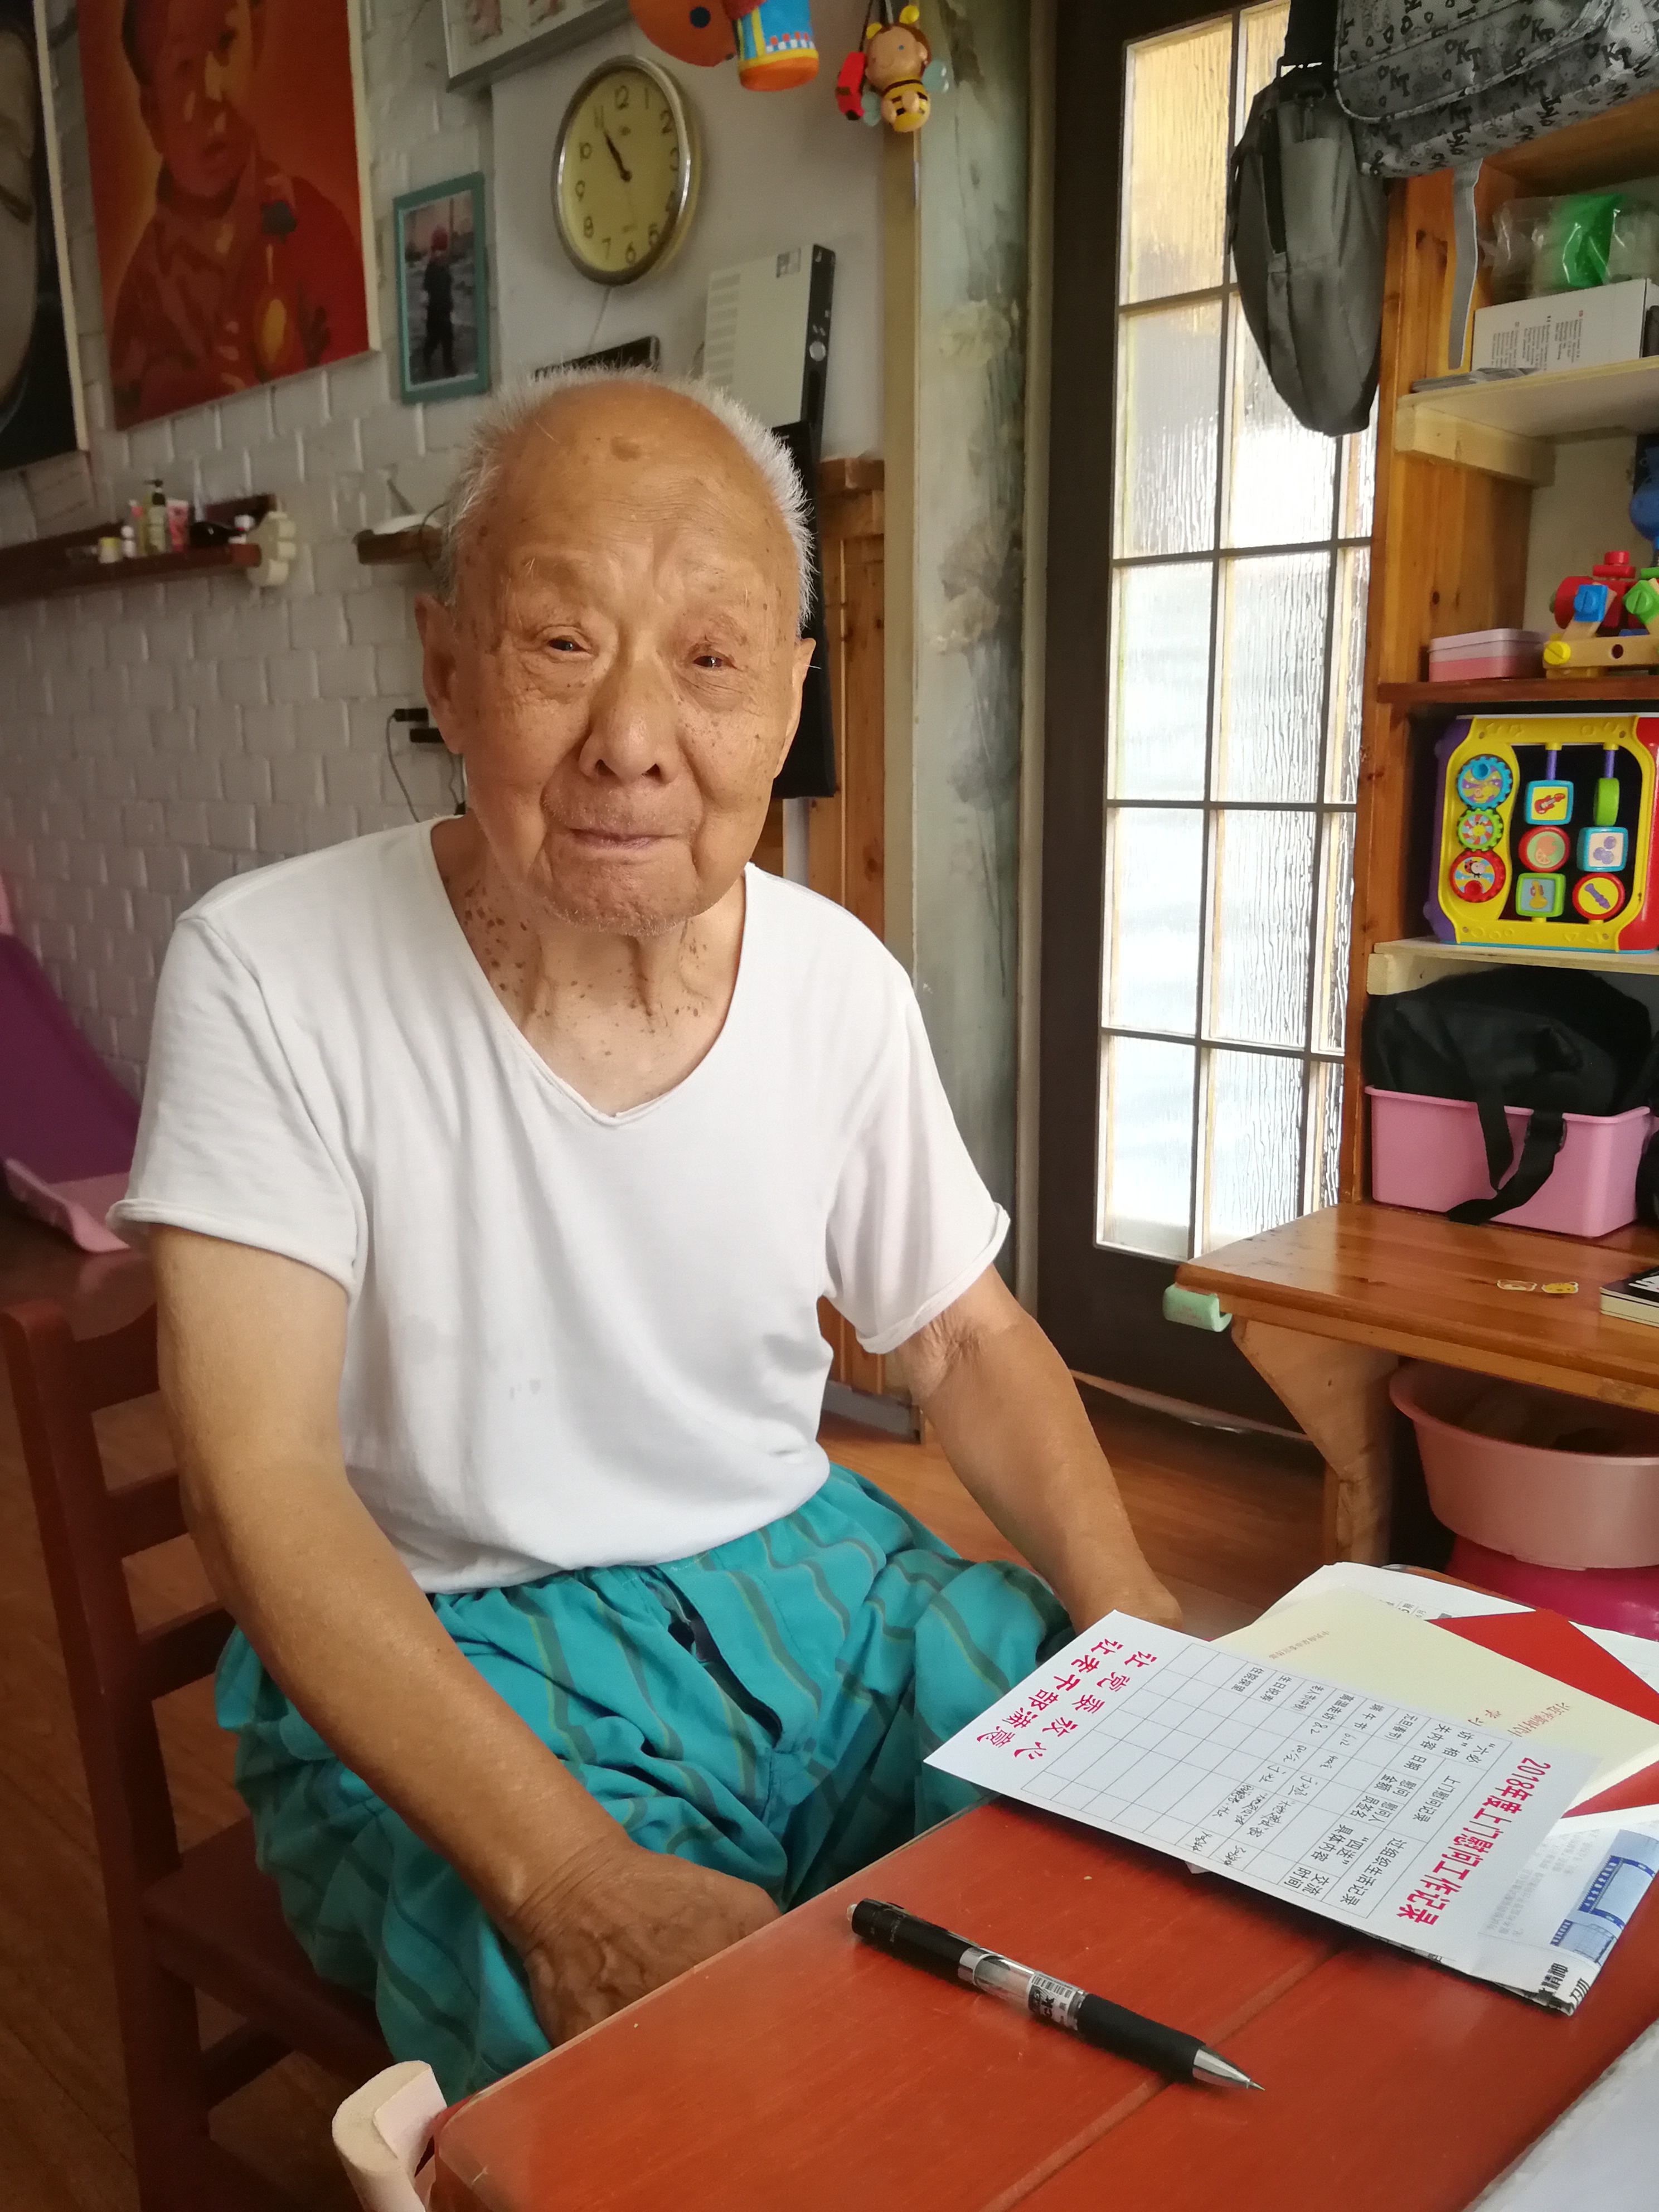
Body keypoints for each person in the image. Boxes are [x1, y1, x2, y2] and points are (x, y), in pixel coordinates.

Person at [115, 372, 1179, 2102]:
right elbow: (257, 1484)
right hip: (454, 1636)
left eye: (708, 657)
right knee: (636, 2062)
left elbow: (963, 1336)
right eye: (560, 644)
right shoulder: (268, 970)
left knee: (1132, 1803)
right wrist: (565, 1879)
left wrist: (1137, 1619)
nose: (630, 737)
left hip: (816, 1583)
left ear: (789, 697)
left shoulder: (836, 981)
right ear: (447, 663)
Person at [108, 0, 369, 425]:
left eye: (226, 42)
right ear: (152, 113)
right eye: (182, 68)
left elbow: (357, 406)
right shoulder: (141, 300)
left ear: (257, 39)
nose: (214, 91)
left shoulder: (315, 230)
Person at [420, 226, 457, 382]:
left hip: (444, 309)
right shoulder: (432, 268)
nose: (440, 254)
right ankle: (427, 359)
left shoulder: (445, 267)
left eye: (443, 250)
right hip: (435, 311)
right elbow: (426, 290)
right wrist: (426, 307)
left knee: (447, 338)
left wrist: (450, 304)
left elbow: (447, 287)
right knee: (435, 339)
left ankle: (448, 366)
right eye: (438, 250)